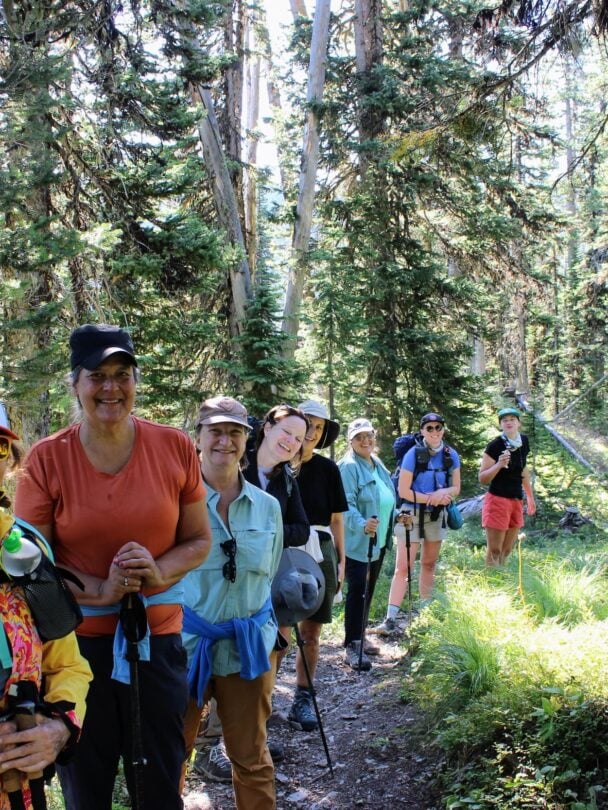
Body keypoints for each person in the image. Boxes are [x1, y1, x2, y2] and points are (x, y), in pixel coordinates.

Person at [14, 324, 211, 810]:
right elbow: (25, 567)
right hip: (75, 654)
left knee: (162, 781)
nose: (110, 388)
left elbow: (199, 540)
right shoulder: (47, 460)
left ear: (135, 380)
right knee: (86, 784)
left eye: (122, 374)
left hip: (157, 643)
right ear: (75, 383)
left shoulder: (174, 447)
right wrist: (102, 590)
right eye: (96, 375)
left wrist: (159, 572)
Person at [181, 396, 283, 810]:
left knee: (251, 757)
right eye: (216, 431)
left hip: (248, 649)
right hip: (186, 648)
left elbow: (271, 573)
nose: (226, 440)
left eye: (235, 432)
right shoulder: (176, 504)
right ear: (199, 438)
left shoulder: (268, 508)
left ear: (247, 440)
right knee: (170, 753)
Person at [0, 422, 92, 810]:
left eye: (0, 449)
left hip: (20, 788)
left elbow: (68, 664)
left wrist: (58, 727)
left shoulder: (26, 550)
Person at [285, 400, 347, 730]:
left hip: (321, 549)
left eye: (319, 427)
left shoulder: (329, 470)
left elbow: (337, 520)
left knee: (311, 632)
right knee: (279, 632)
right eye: (307, 422)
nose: (312, 431)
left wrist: (341, 563)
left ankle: (303, 698)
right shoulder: (276, 465)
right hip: (282, 550)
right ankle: (261, 703)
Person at [376, 412, 460, 631]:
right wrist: (431, 497)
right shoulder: (413, 454)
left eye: (438, 427)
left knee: (429, 565)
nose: (434, 432)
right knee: (403, 567)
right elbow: (404, 490)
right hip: (410, 514)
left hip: (436, 516)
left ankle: (425, 614)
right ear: (422, 431)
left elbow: (456, 487)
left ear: (443, 429)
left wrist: (442, 496)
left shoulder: (451, 455)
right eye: (429, 428)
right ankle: (390, 618)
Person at [337, 418, 397, 671]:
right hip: (358, 540)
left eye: (369, 436)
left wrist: (398, 514)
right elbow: (344, 505)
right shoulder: (348, 467)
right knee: (358, 590)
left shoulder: (376, 463)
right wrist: (362, 523)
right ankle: (352, 643)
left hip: (378, 537)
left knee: (368, 588)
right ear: (350, 441)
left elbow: (386, 495)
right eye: (359, 437)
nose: (366, 441)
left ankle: (360, 634)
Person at [479, 406, 536, 566]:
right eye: (505, 420)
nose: (509, 422)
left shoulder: (523, 442)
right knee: (495, 550)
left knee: (507, 549)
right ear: (500, 425)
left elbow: (523, 469)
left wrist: (530, 497)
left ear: (519, 423)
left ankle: (501, 580)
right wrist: (499, 465)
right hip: (497, 499)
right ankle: (490, 582)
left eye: (512, 419)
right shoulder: (495, 446)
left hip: (516, 500)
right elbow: (482, 478)